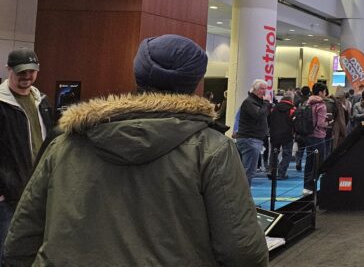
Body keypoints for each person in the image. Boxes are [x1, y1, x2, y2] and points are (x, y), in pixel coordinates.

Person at [4, 34, 268, 266]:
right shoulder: (212, 150)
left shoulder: (66, 142)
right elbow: (243, 251)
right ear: (195, 81)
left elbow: (22, 238)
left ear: (137, 73)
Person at [0, 49, 57, 261]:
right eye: (21, 72)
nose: (27, 77)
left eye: (31, 72)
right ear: (9, 70)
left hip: (38, 188)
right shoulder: (2, 103)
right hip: (9, 194)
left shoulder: (41, 101)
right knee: (7, 250)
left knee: (30, 248)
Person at [236, 79, 270, 187]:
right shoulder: (249, 102)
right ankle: (244, 201)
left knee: (249, 171)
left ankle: (244, 200)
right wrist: (267, 103)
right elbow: (258, 115)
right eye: (261, 88)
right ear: (255, 89)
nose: (264, 91)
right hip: (250, 139)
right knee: (248, 172)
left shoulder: (256, 102)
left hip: (254, 139)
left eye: (265, 89)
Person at [301, 83, 330, 194]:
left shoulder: (308, 102)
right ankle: (312, 186)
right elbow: (321, 123)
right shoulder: (321, 105)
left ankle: (306, 186)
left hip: (308, 135)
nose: (325, 94)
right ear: (320, 92)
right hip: (318, 137)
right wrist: (328, 122)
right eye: (324, 92)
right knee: (317, 163)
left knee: (309, 162)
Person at [267, 92, 295, 180]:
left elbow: (269, 120)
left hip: (274, 134)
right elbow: (295, 123)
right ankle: (281, 173)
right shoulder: (292, 109)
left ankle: (273, 171)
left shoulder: (274, 108)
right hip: (288, 134)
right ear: (291, 100)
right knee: (287, 154)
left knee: (274, 153)